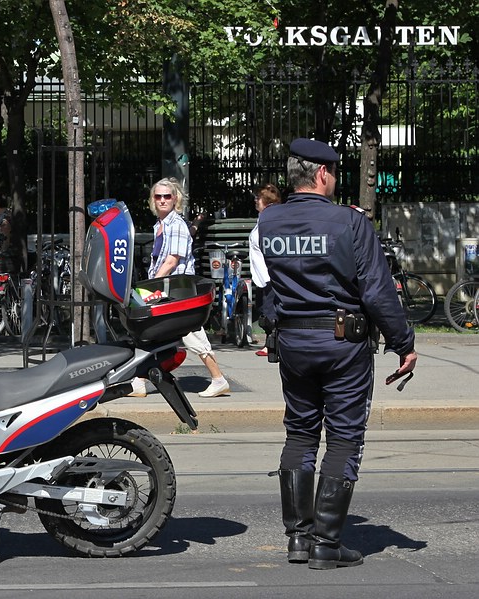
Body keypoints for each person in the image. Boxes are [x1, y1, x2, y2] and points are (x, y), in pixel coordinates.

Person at [258, 138, 417, 570]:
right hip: (342, 343)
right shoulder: (349, 222)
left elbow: (267, 287)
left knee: (300, 433)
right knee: (344, 437)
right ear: (323, 174)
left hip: (293, 343)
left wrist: (273, 330)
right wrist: (403, 343)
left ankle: (298, 538)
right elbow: (378, 291)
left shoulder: (268, 221)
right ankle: (326, 544)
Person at [130, 178, 231, 399]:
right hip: (168, 287)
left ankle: (218, 379)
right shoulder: (161, 224)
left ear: (175, 199)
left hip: (176, 288)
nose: (163, 200)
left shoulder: (175, 225)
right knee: (153, 334)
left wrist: (153, 285)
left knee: (191, 333)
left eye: (167, 196)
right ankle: (139, 381)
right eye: (158, 196)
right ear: (153, 200)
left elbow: (172, 260)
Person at [248, 184, 283, 356]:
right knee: (264, 308)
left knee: (270, 310)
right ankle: (271, 342)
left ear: (266, 200)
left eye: (258, 197)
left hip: (270, 274)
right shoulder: (262, 218)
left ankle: (272, 344)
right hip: (261, 274)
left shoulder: (271, 219)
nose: (255, 200)